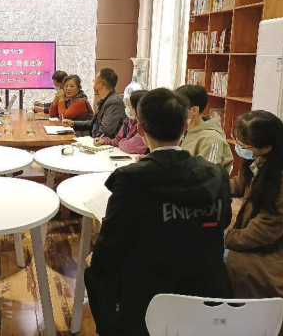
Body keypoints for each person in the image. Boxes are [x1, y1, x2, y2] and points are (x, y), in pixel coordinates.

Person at [85, 88, 232, 336]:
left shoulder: (130, 179)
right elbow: (223, 222)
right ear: (185, 126)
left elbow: (112, 237)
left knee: (96, 271)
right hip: (208, 286)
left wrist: (96, 264)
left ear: (141, 129)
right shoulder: (215, 174)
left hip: (148, 292)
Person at [226, 111, 283, 335]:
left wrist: (226, 238)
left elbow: (265, 230)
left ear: (266, 147)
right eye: (236, 140)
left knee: (220, 258)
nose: (238, 147)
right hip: (258, 240)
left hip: (277, 252)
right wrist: (206, 184)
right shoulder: (259, 162)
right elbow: (238, 184)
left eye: (243, 144)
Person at [176, 84, 234, 173]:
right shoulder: (182, 129)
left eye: (179, 108)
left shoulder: (211, 138)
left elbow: (207, 175)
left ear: (194, 110)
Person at [64, 68, 125, 139]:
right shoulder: (106, 99)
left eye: (95, 81)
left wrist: (91, 142)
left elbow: (105, 131)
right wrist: (73, 123)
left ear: (100, 85)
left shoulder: (114, 102)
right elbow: (94, 124)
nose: (94, 84)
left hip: (104, 143)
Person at [97, 90, 149, 155]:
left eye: (129, 106)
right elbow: (117, 140)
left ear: (137, 108)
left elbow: (130, 147)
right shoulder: (128, 121)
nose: (127, 108)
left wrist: (122, 142)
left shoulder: (146, 126)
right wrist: (105, 141)